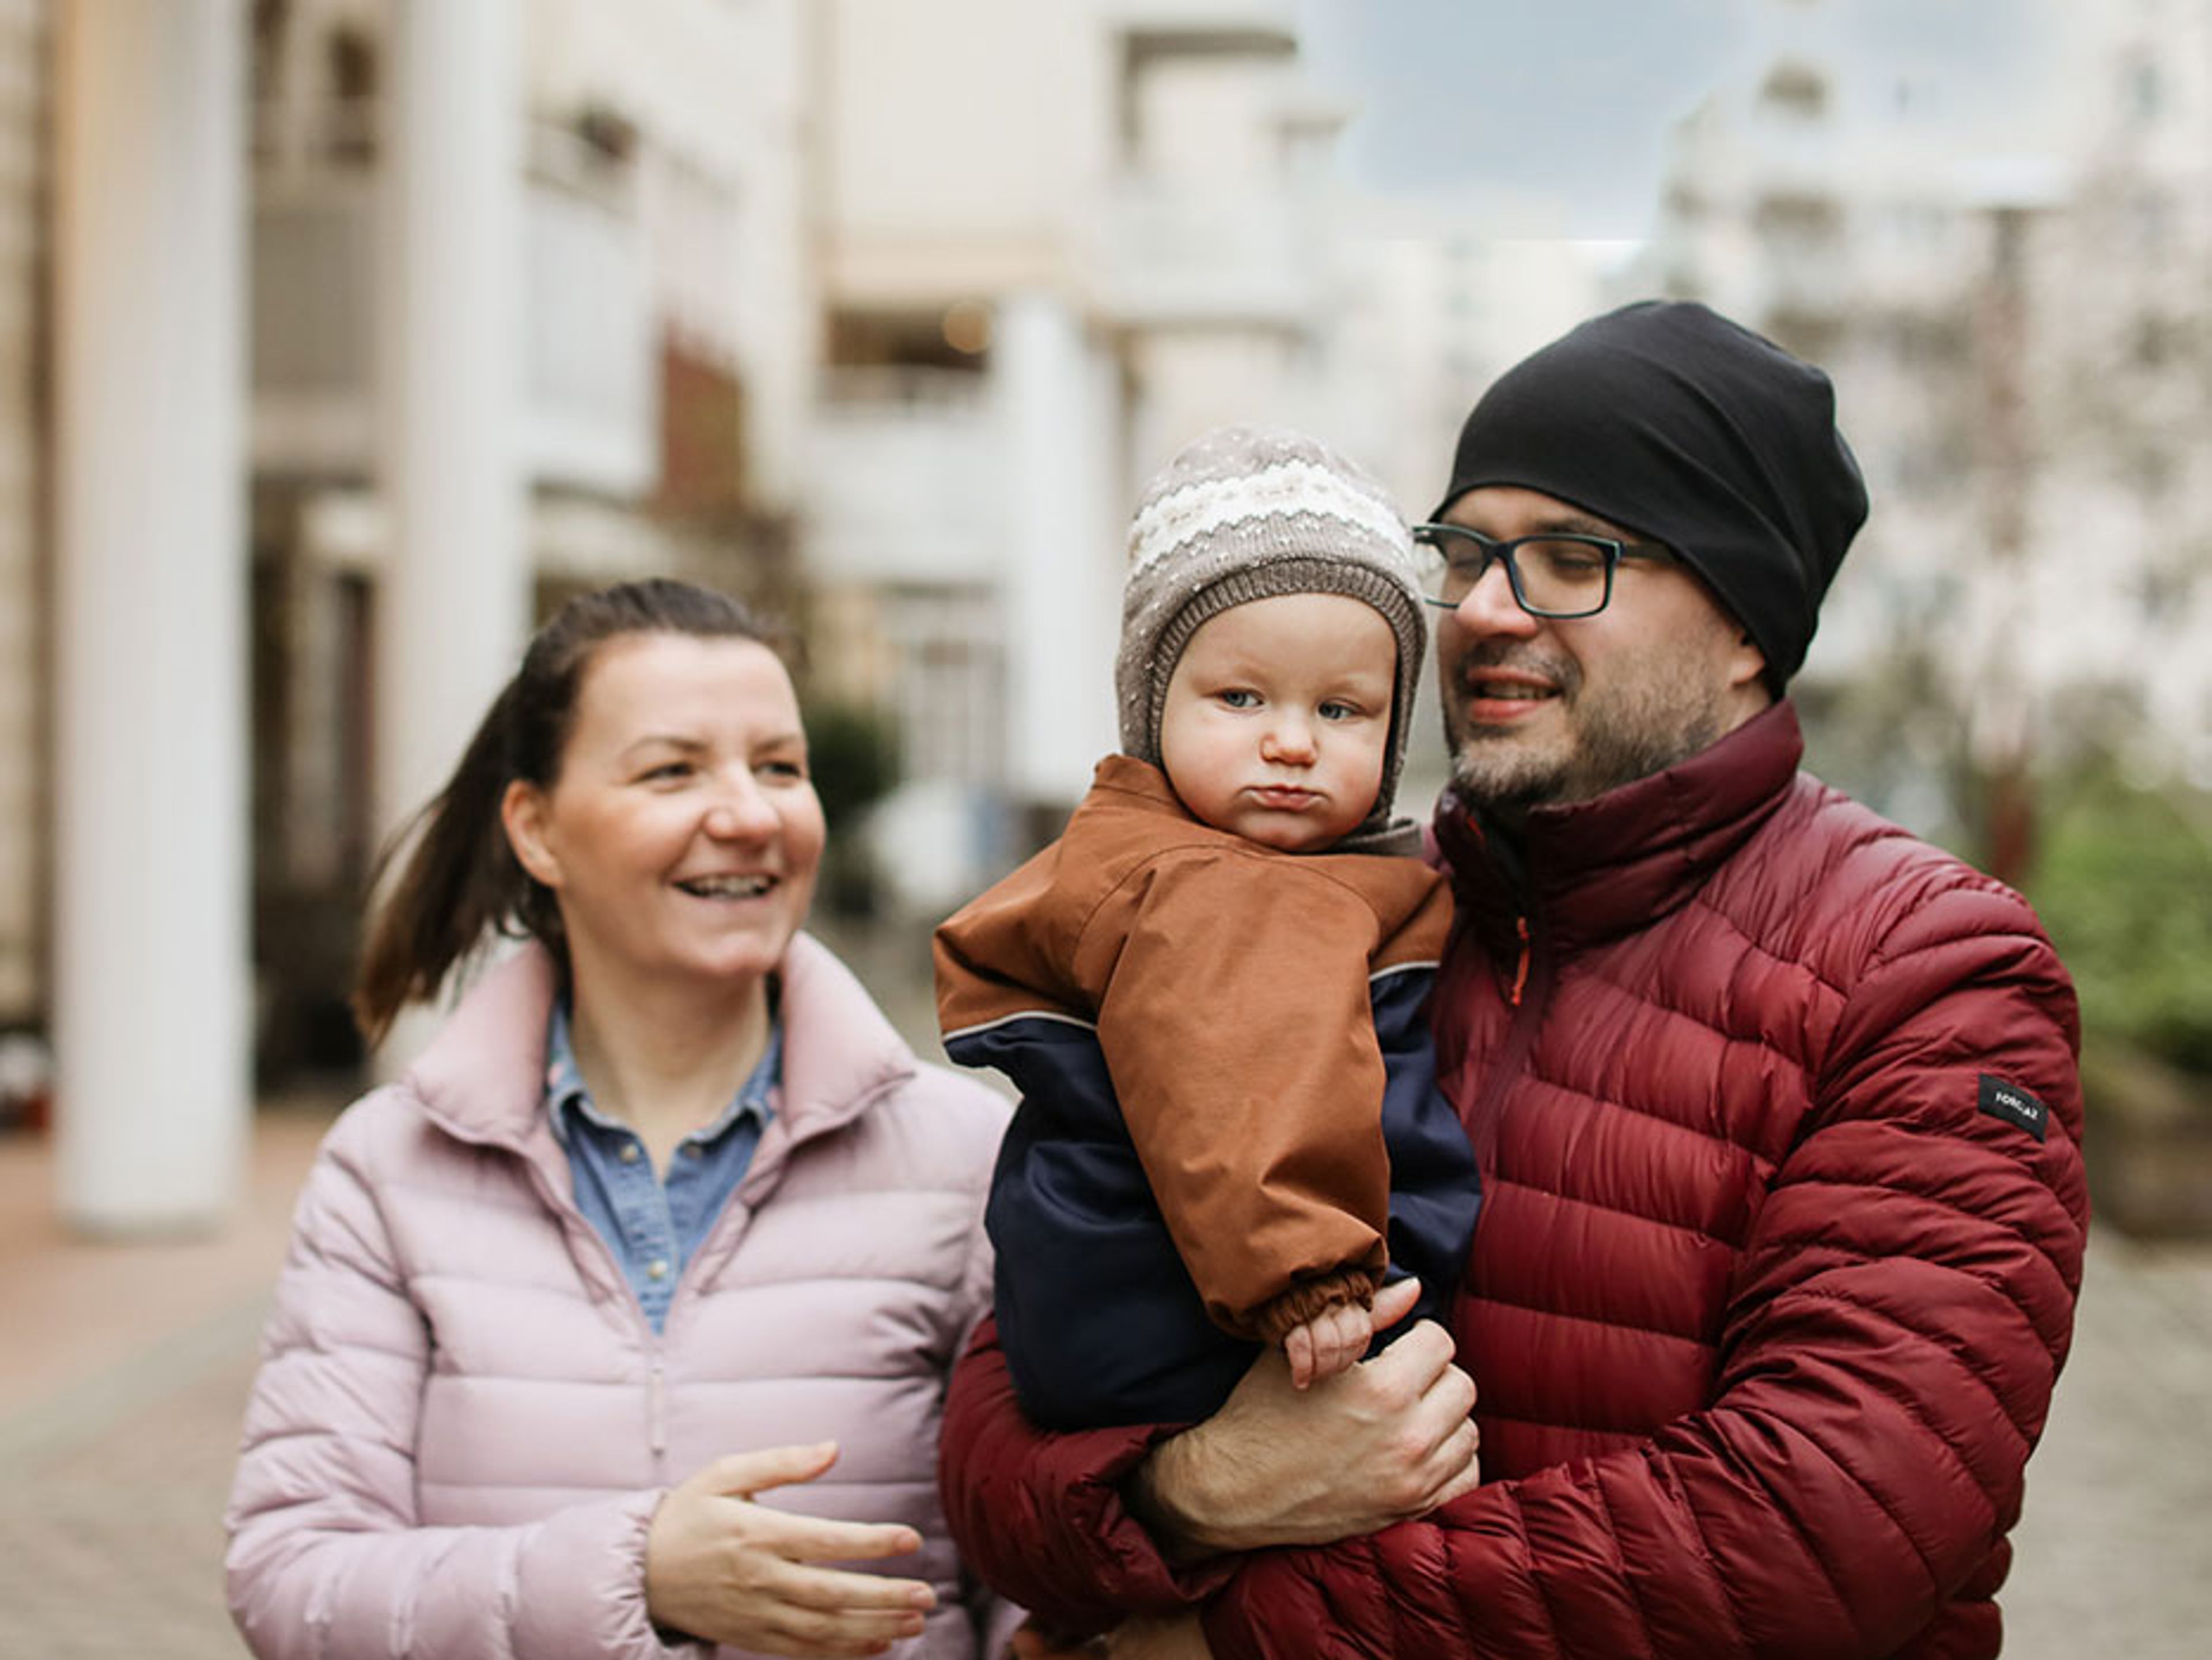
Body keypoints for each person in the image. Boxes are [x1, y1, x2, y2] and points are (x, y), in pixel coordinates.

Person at [934, 301, 2090, 1659]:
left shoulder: (1926, 971)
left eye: (1568, 557)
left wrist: (1233, 1633)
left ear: (1744, 628)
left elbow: (1831, 1529)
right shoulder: (1320, 914)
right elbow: (1002, 1408)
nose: (1486, 608)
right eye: (1469, 550)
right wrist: (1190, 1495)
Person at [225, 579, 1021, 1660]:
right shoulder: (388, 1171)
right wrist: (635, 1574)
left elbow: (1043, 1581)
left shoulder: (964, 1156)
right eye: (672, 770)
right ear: (538, 829)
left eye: (778, 766)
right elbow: (295, 1581)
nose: (747, 813)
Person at [933, 428, 1482, 1429]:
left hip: (1178, 1303)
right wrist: (1309, 1279)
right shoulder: (1204, 885)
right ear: (1152, 705)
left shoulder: (1292, 870)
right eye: (1240, 697)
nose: (1291, 740)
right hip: (1209, 1316)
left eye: (1343, 708)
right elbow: (1235, 1084)